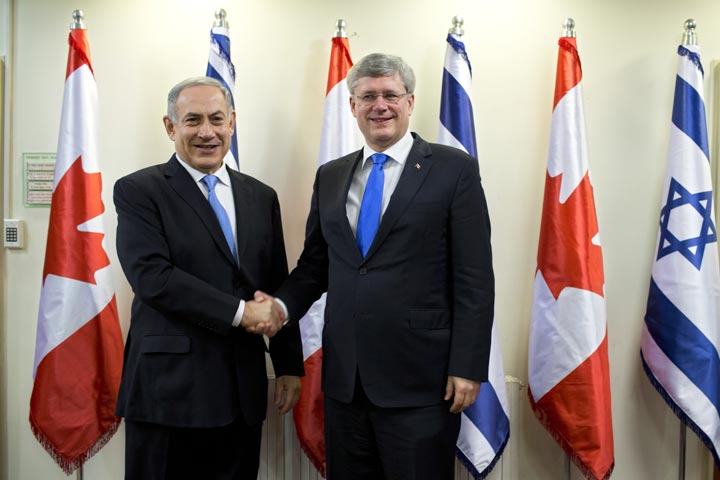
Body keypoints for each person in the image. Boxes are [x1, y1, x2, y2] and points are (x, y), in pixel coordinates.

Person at [260, 53, 495, 479]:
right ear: (352, 105)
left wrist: (468, 365)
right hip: (346, 384)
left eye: (390, 95)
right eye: (368, 96)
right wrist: (279, 307)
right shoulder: (331, 176)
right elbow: (315, 266)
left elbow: (474, 277)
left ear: (410, 102)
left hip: (422, 383)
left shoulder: (453, 170)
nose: (379, 105)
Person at [113, 76, 303, 480]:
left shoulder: (261, 196)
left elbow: (274, 281)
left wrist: (288, 363)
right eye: (192, 120)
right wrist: (241, 313)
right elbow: (152, 277)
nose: (206, 132)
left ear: (232, 122)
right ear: (170, 127)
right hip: (168, 393)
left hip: (241, 393)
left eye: (217, 119)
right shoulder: (139, 191)